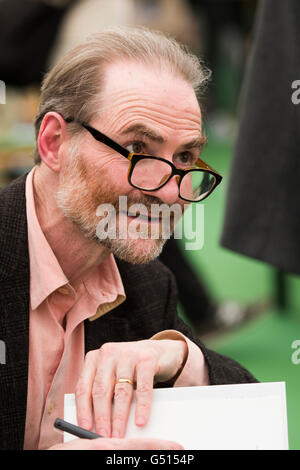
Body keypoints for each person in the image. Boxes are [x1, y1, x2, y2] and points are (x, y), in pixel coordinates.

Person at [0, 26, 257, 451]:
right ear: (54, 142)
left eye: (185, 157)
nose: (170, 191)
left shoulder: (147, 285)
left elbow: (252, 418)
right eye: (138, 148)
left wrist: (182, 358)